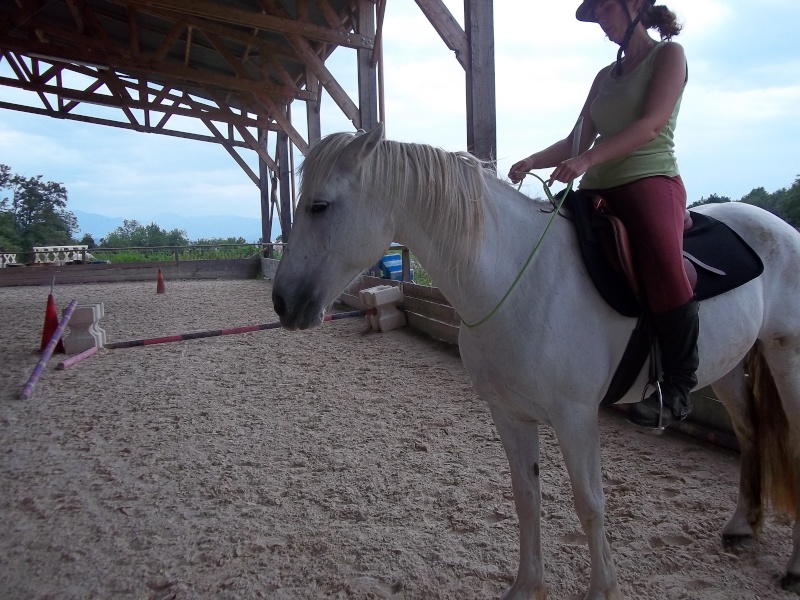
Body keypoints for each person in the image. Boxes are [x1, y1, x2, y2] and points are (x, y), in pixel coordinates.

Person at [508, 0, 698, 429]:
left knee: (662, 258)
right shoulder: (603, 77)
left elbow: (651, 124)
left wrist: (588, 160)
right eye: (595, 15)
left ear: (635, 6)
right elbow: (577, 138)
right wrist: (532, 160)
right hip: (596, 188)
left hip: (649, 179)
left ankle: (679, 385)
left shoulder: (668, 55)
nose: (601, 23)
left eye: (606, 11)